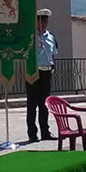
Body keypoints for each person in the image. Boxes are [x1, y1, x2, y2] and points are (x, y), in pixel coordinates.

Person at [26, 8, 58, 143]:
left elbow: (53, 53)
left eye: (45, 21)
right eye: (41, 21)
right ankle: (32, 134)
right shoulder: (31, 37)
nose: (44, 23)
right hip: (34, 72)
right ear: (36, 22)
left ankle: (45, 131)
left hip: (46, 71)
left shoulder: (51, 37)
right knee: (32, 104)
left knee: (44, 104)